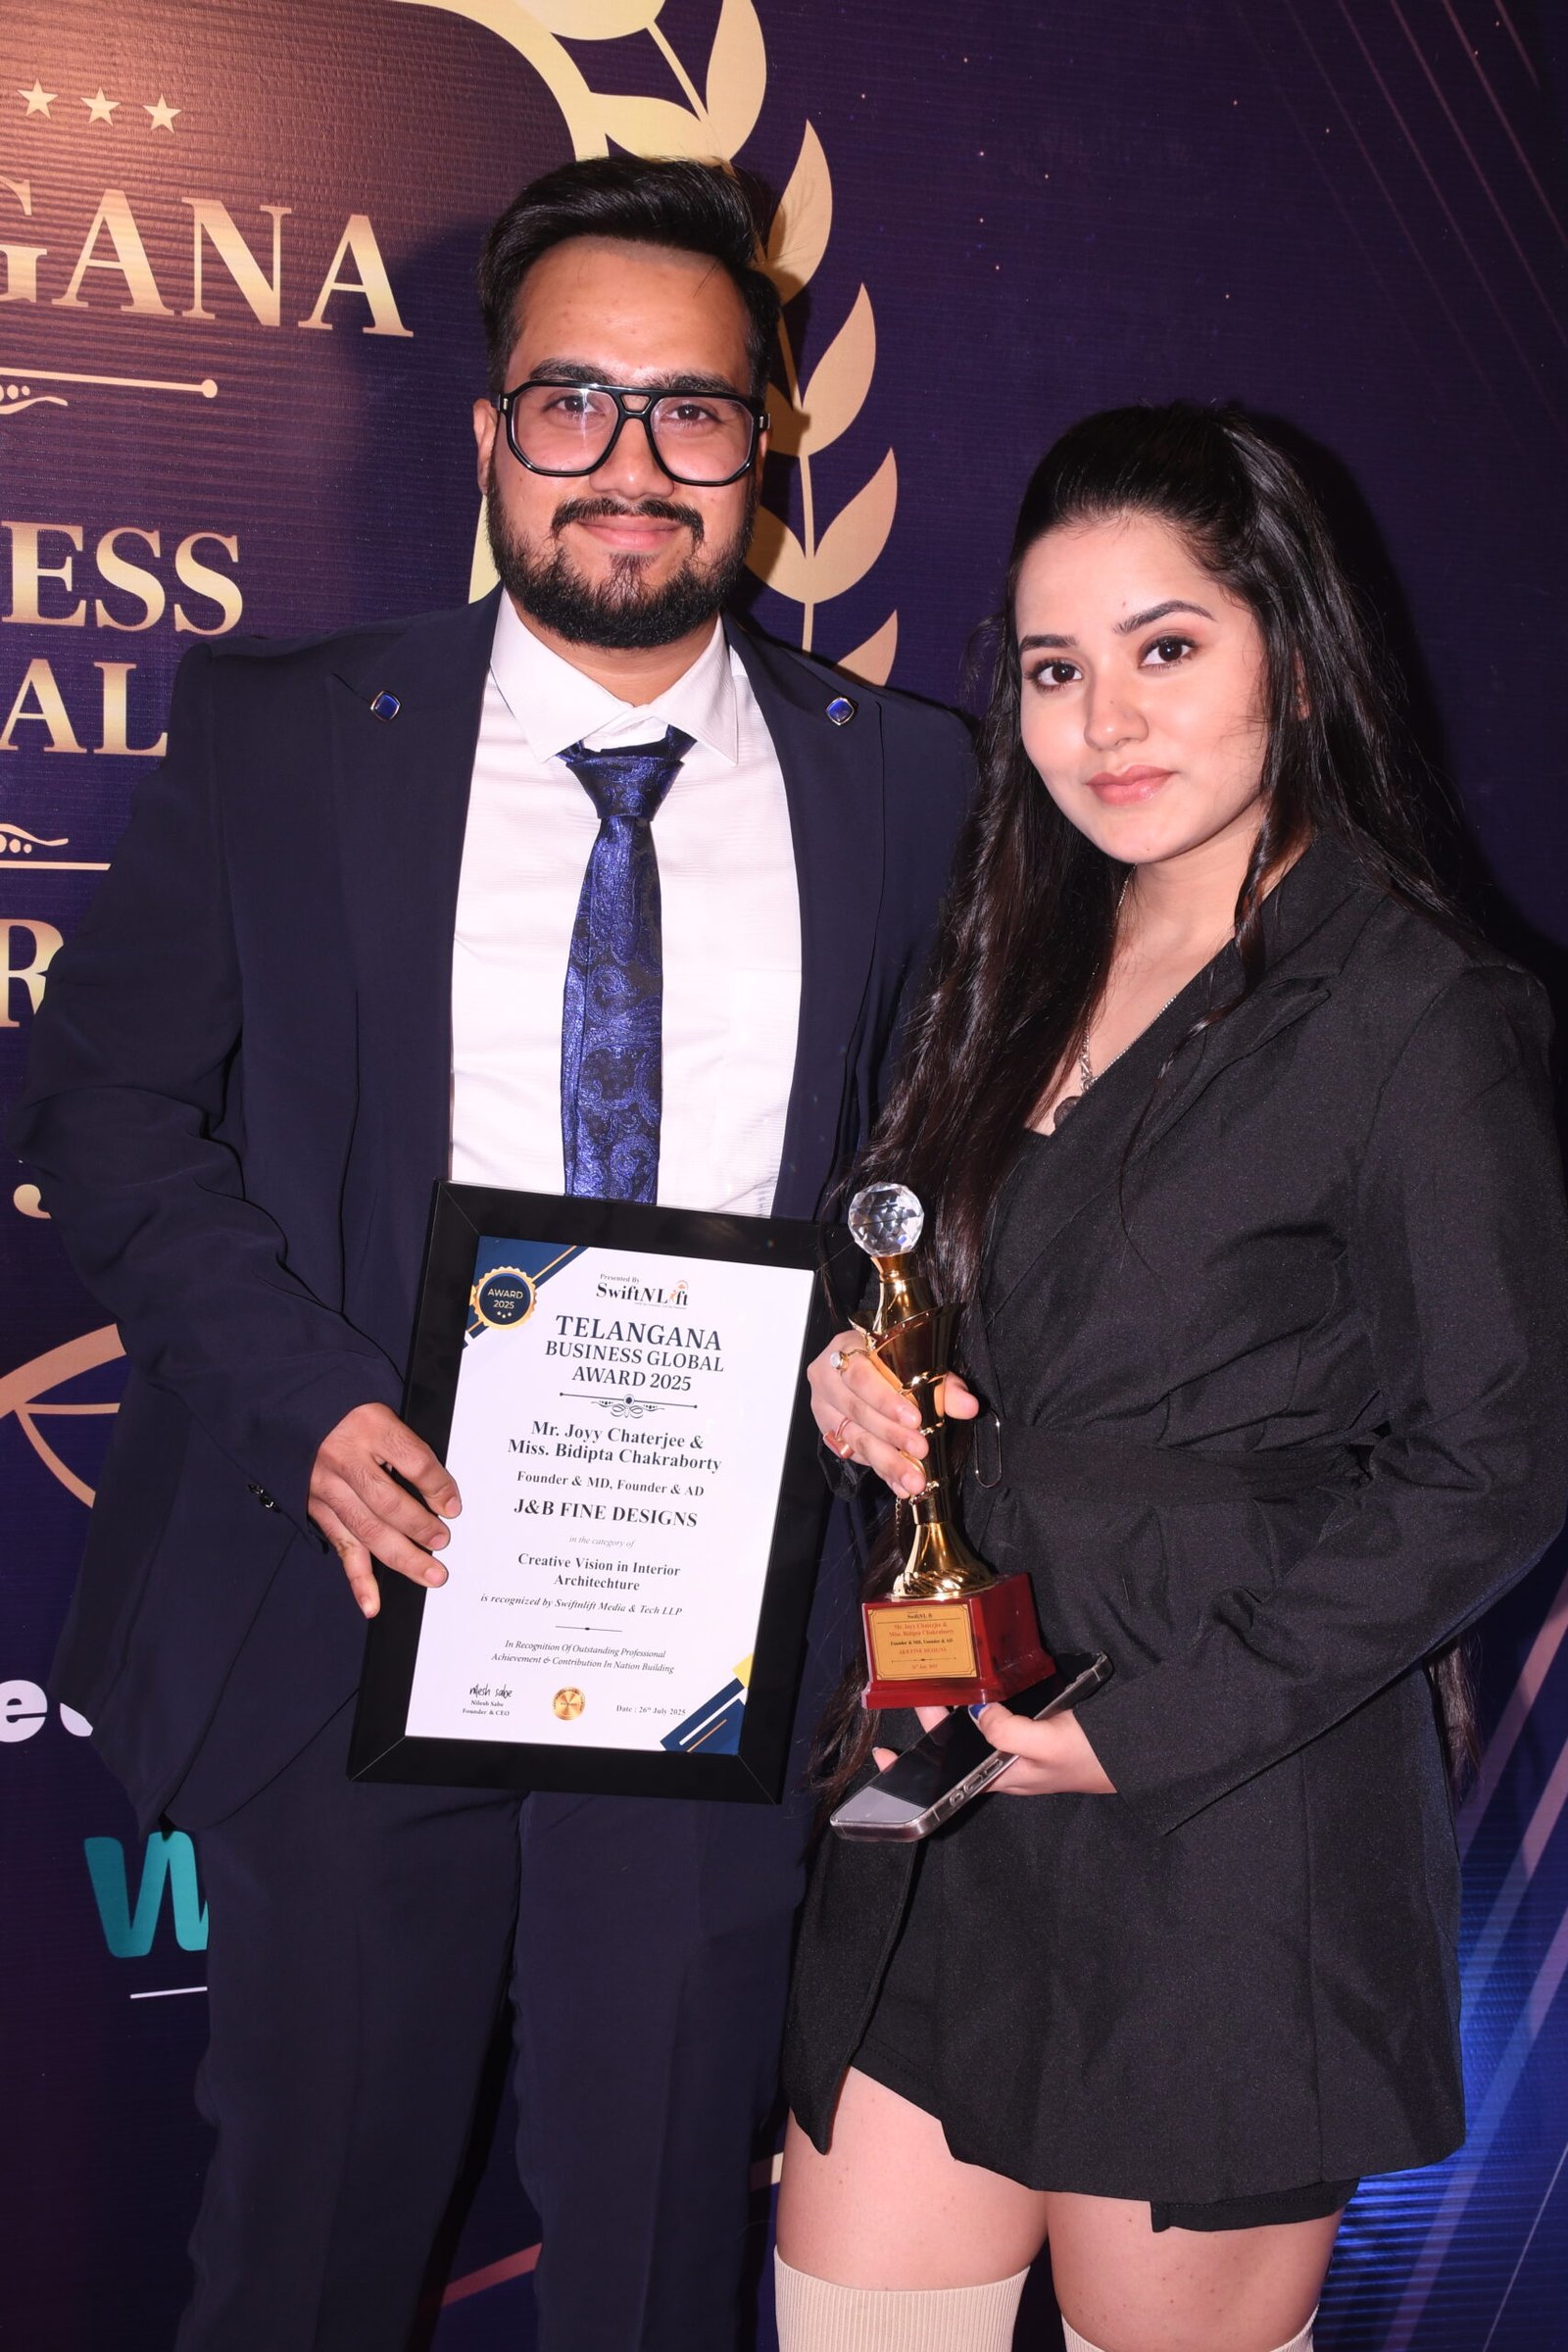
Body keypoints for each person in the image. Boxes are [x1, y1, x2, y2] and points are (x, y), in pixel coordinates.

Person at [10, 160, 973, 2351]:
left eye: (690, 409)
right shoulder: (284, 737)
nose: (630, 464)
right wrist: (309, 1405)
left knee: (655, 2258)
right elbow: (107, 1113)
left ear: (764, 446)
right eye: (571, 403)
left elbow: (935, 1179)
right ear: (487, 431)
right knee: (307, 2258)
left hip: (718, 1620)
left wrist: (881, 1349)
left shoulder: (910, 784)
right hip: (357, 1594)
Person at [774, 403, 1568, 2352]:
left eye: (1166, 647)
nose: (1105, 721)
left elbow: (1496, 1456)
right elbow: (919, 1281)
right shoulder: (1007, 950)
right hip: (944, 1786)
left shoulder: (1418, 1007)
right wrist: (854, 1378)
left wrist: (1157, 1726)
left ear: (1291, 654)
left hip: (1222, 1815)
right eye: (1056, 669)